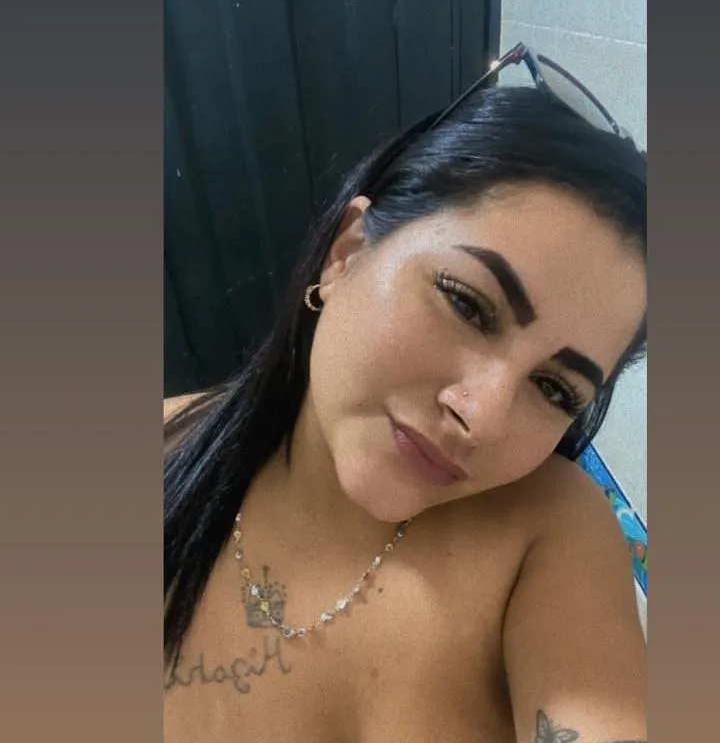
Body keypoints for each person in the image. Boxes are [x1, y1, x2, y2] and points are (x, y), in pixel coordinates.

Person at [164, 43, 647, 743]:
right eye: (468, 304)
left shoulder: (552, 536)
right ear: (347, 252)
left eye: (553, 388)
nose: (481, 417)